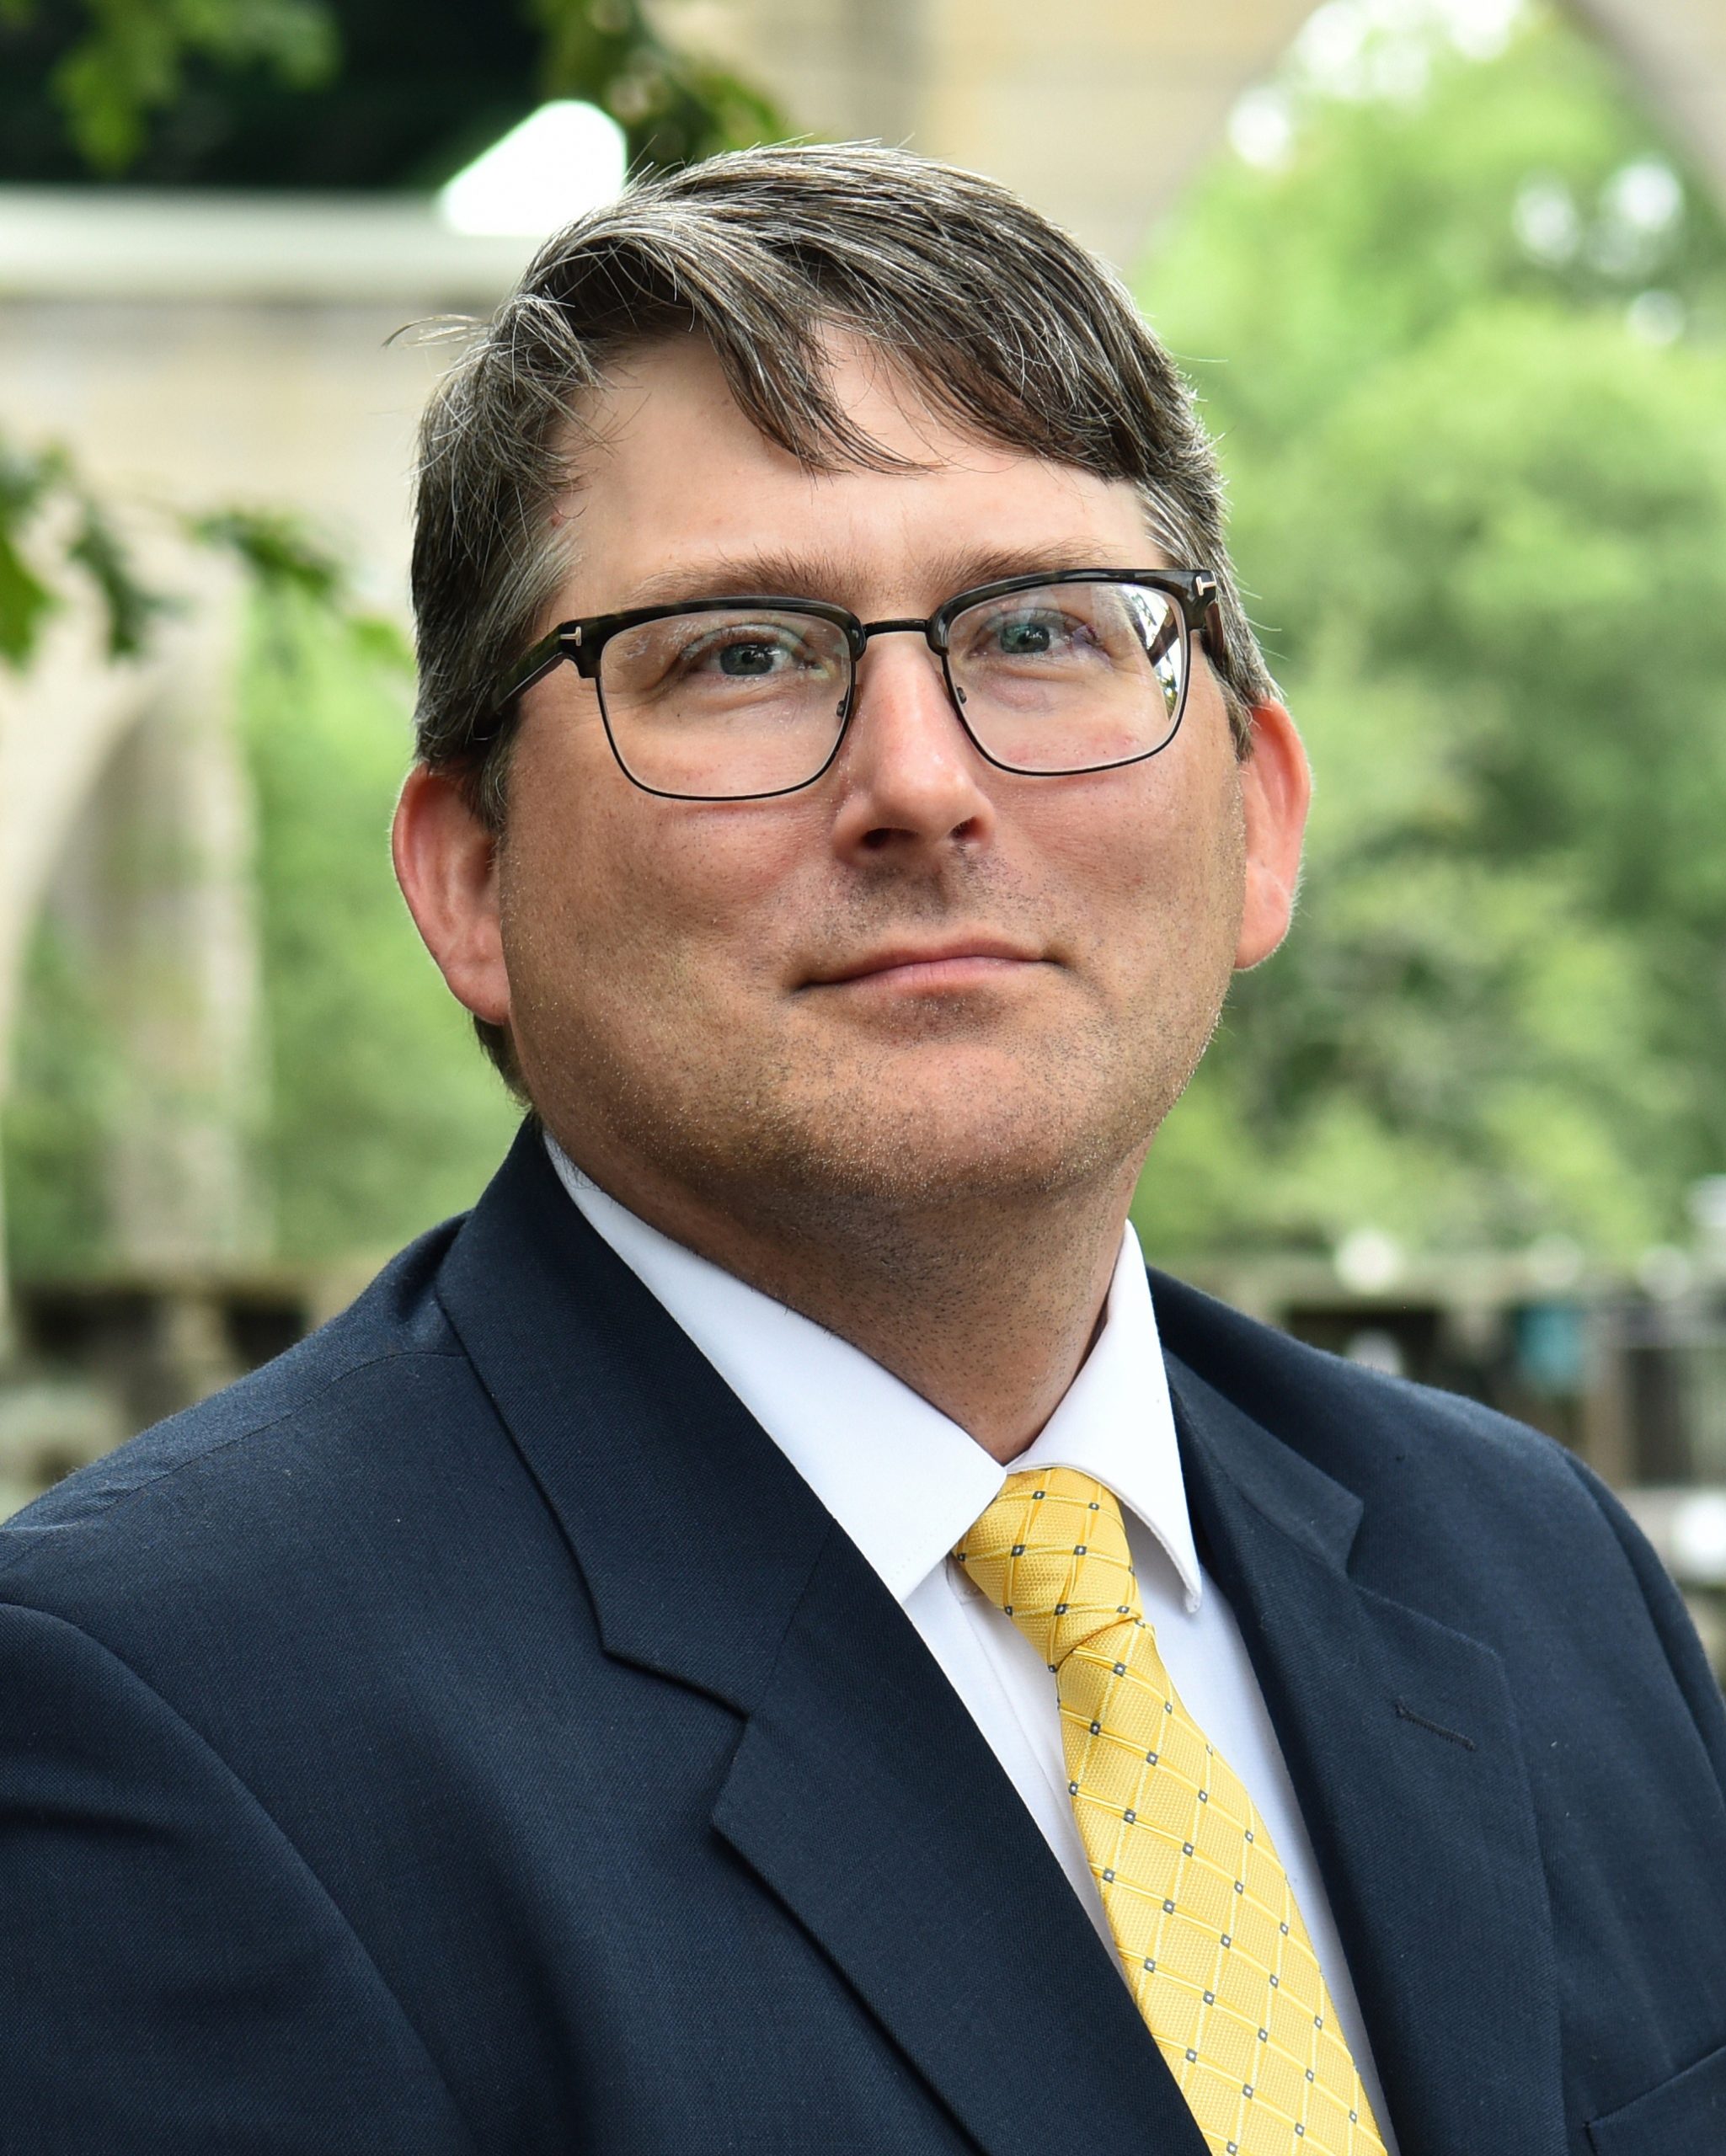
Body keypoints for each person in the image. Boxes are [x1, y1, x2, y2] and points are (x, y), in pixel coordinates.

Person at [2, 143, 1723, 2156]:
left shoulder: (1533, 1570)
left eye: (1042, 630)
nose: (919, 781)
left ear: (1256, 817)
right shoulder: (157, 1718)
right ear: (470, 876)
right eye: (739, 651)